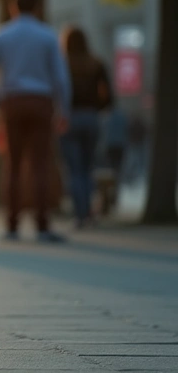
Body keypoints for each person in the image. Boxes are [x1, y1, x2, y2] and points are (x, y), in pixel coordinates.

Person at [0, 0, 70, 243]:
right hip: (41, 103)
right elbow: (61, 78)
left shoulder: (1, 35)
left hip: (13, 102)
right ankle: (42, 225)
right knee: (41, 165)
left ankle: (12, 225)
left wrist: (0, 102)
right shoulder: (48, 35)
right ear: (38, 8)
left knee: (13, 165)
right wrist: (64, 110)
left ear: (12, 8)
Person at [59, 27, 112, 229]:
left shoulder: (63, 64)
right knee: (88, 167)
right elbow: (107, 95)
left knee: (74, 169)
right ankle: (89, 211)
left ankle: (80, 214)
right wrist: (99, 108)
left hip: (69, 117)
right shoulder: (96, 63)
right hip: (91, 118)